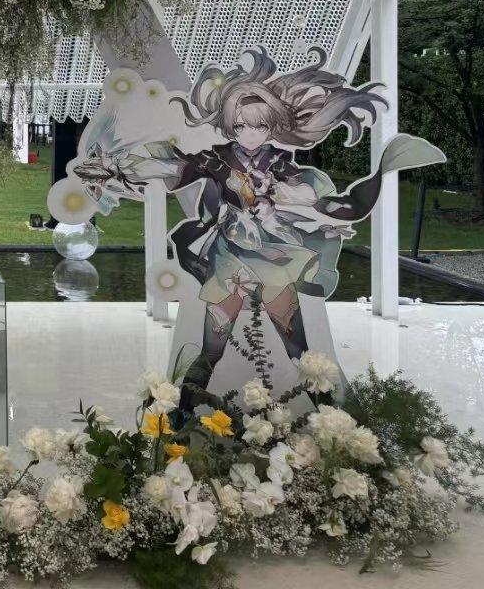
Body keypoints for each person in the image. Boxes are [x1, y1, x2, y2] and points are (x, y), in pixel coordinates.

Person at [68, 47, 441, 408]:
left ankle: (333, 420)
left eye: (259, 125)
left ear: (272, 125)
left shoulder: (280, 163)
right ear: (230, 124)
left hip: (273, 259)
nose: (250, 133)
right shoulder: (217, 159)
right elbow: (174, 165)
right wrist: (116, 167)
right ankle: (177, 423)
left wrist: (293, 196)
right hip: (228, 262)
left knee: (299, 350)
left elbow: (324, 199)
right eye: (242, 125)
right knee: (211, 350)